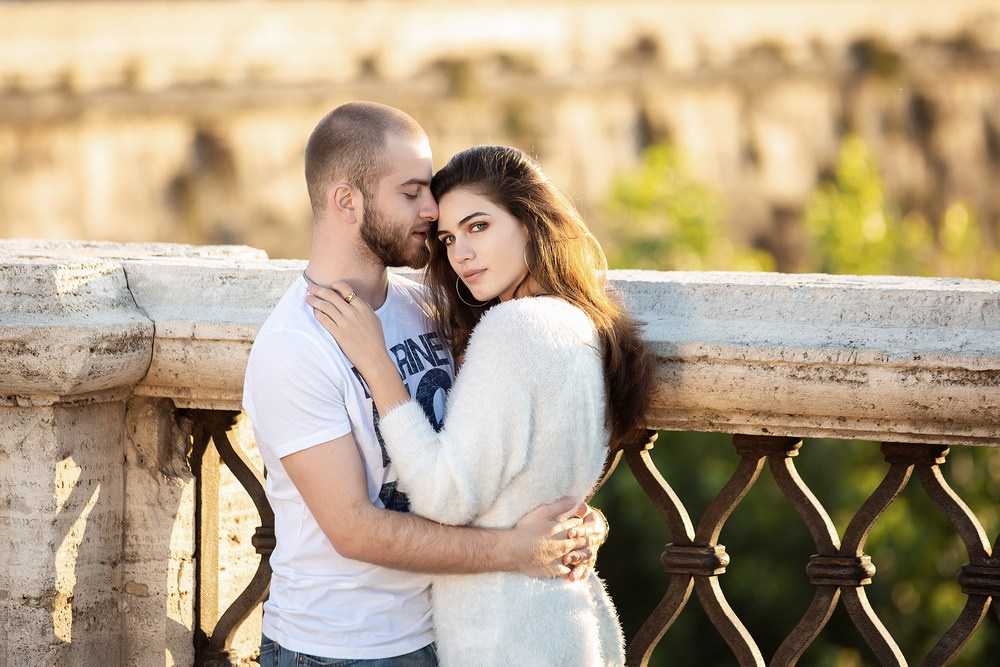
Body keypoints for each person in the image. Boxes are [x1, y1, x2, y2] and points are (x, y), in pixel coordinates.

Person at [242, 102, 607, 666]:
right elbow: (355, 530)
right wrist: (516, 550)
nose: (432, 209)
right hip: (344, 650)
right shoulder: (294, 347)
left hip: (445, 632)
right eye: (411, 192)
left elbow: (497, 448)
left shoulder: (424, 307)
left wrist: (572, 524)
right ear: (347, 200)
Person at [305, 144, 655, 666]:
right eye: (447, 238)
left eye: (478, 227)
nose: (460, 253)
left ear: (530, 223)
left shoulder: (516, 330)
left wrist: (378, 366)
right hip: (565, 622)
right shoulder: (577, 322)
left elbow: (445, 498)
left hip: (508, 636)